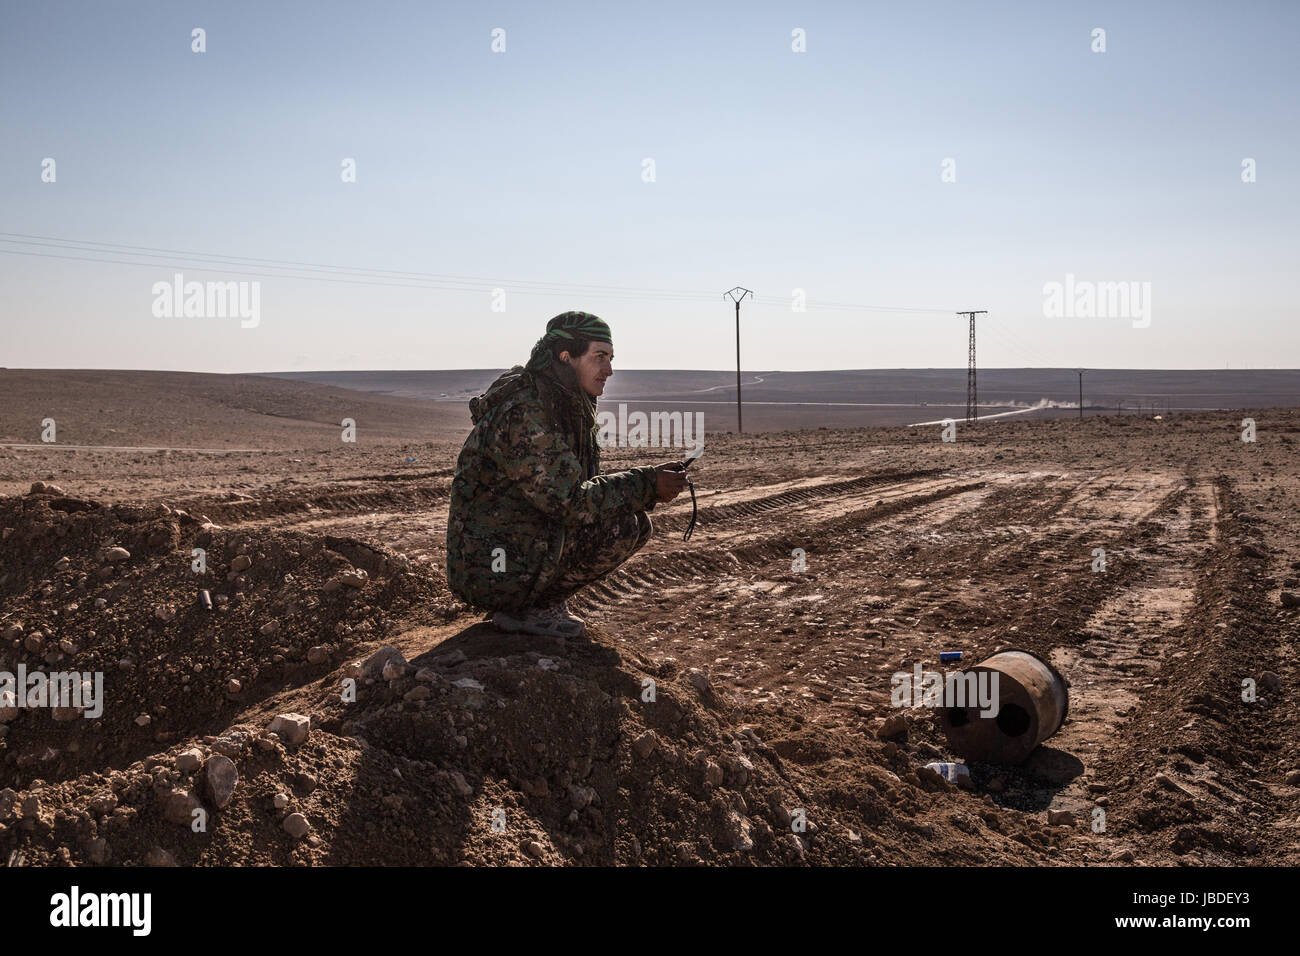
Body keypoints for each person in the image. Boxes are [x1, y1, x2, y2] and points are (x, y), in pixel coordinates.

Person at [446, 311, 689, 637]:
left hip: (516, 545)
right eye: (599, 357)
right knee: (623, 525)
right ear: (566, 356)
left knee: (633, 522)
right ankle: (526, 610)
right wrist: (646, 484)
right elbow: (571, 501)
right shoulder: (528, 410)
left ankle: (535, 607)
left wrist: (646, 485)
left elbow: (571, 488)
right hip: (489, 568)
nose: (609, 370)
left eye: (611, 358)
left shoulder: (564, 402)